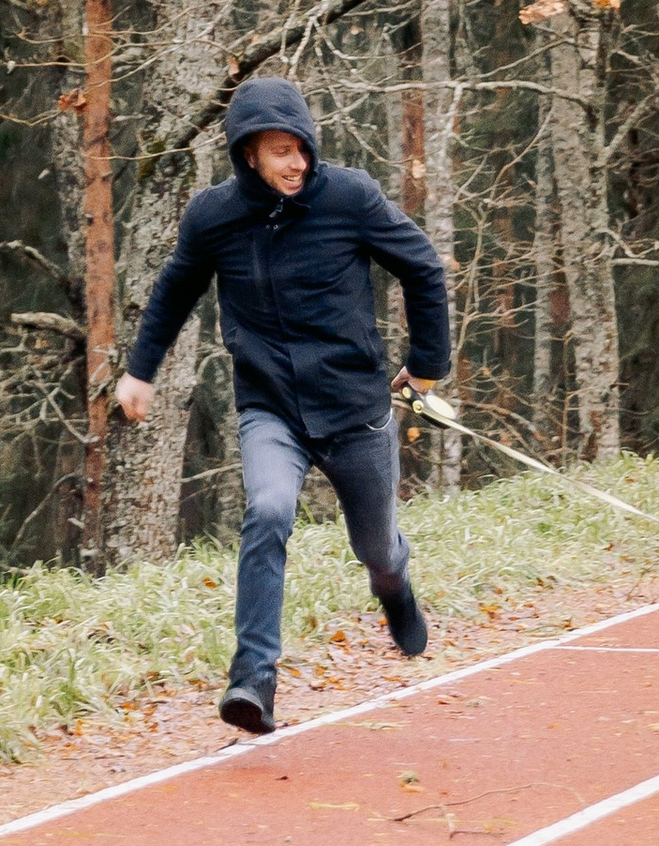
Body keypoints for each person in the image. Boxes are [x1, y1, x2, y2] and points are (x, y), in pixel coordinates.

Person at [114, 74, 451, 738]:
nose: (296, 162)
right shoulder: (213, 216)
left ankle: (395, 584)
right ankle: (254, 679)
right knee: (268, 511)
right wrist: (140, 372)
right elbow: (176, 288)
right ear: (248, 154)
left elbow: (424, 268)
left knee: (376, 547)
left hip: (354, 409)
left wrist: (428, 368)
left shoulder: (349, 198)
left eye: (302, 148)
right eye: (279, 151)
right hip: (270, 407)